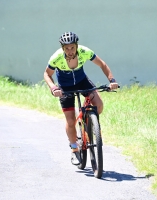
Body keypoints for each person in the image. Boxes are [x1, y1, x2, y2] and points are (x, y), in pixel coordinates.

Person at [43, 32, 119, 165]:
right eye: (66, 48)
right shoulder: (56, 58)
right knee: (70, 120)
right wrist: (53, 88)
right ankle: (74, 148)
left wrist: (111, 80)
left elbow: (102, 64)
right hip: (65, 88)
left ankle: (88, 119)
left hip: (82, 81)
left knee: (99, 105)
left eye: (72, 47)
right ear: (62, 48)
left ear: (76, 46)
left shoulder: (85, 52)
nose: (70, 51)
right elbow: (46, 74)